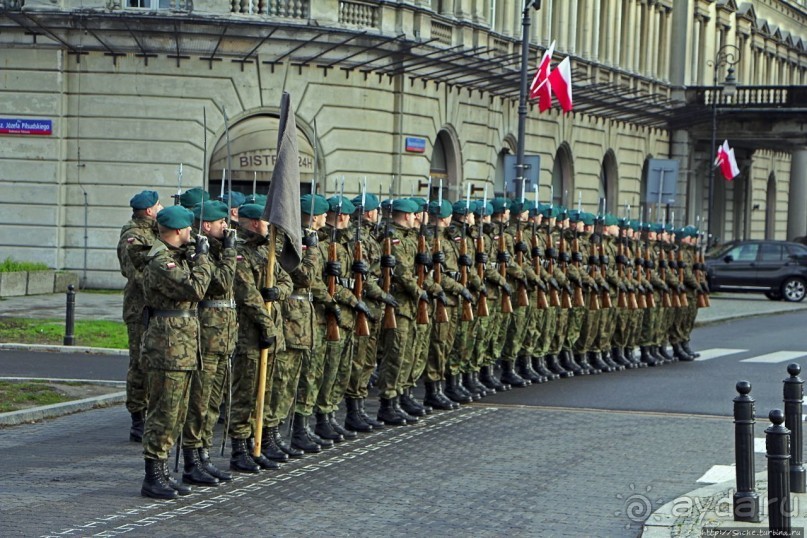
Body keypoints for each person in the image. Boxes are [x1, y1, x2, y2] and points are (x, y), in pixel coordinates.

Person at [140, 205, 212, 499]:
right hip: (168, 348)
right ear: (181, 230)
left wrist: (193, 255)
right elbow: (196, 289)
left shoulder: (173, 258)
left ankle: (164, 472)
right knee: (164, 412)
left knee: (177, 412)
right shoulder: (161, 263)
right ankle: (153, 476)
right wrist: (203, 258)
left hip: (180, 347)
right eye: (189, 230)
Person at [228, 203, 293, 473]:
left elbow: (287, 280)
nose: (270, 227)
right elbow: (248, 296)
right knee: (246, 393)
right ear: (256, 223)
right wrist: (267, 326)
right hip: (249, 333)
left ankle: (263, 439)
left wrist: (277, 292)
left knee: (268, 390)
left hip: (271, 331)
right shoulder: (240, 253)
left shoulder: (267, 250)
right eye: (267, 223)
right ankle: (240, 448)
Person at [180, 200, 237, 486]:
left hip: (222, 337)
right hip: (205, 337)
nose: (226, 227)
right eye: (221, 223)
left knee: (213, 404)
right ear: (206, 225)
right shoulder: (196, 252)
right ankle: (192, 460)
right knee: (199, 404)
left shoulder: (213, 251)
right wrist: (228, 251)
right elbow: (221, 284)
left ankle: (204, 455)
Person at [117, 190, 162, 443]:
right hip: (139, 308)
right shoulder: (133, 236)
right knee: (139, 364)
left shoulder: (155, 231)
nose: (161, 208)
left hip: (156, 308)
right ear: (148, 211)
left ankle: (151, 414)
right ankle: (137, 417)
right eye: (158, 206)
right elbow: (134, 272)